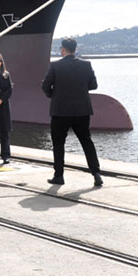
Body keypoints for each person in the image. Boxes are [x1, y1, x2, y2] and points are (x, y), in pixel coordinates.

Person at [41, 37, 103, 187]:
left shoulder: (55, 66)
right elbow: (94, 85)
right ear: (75, 49)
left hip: (60, 111)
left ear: (63, 49)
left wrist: (54, 95)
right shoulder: (86, 65)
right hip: (82, 110)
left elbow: (45, 86)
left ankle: (59, 176)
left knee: (58, 144)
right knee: (86, 141)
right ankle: (96, 174)